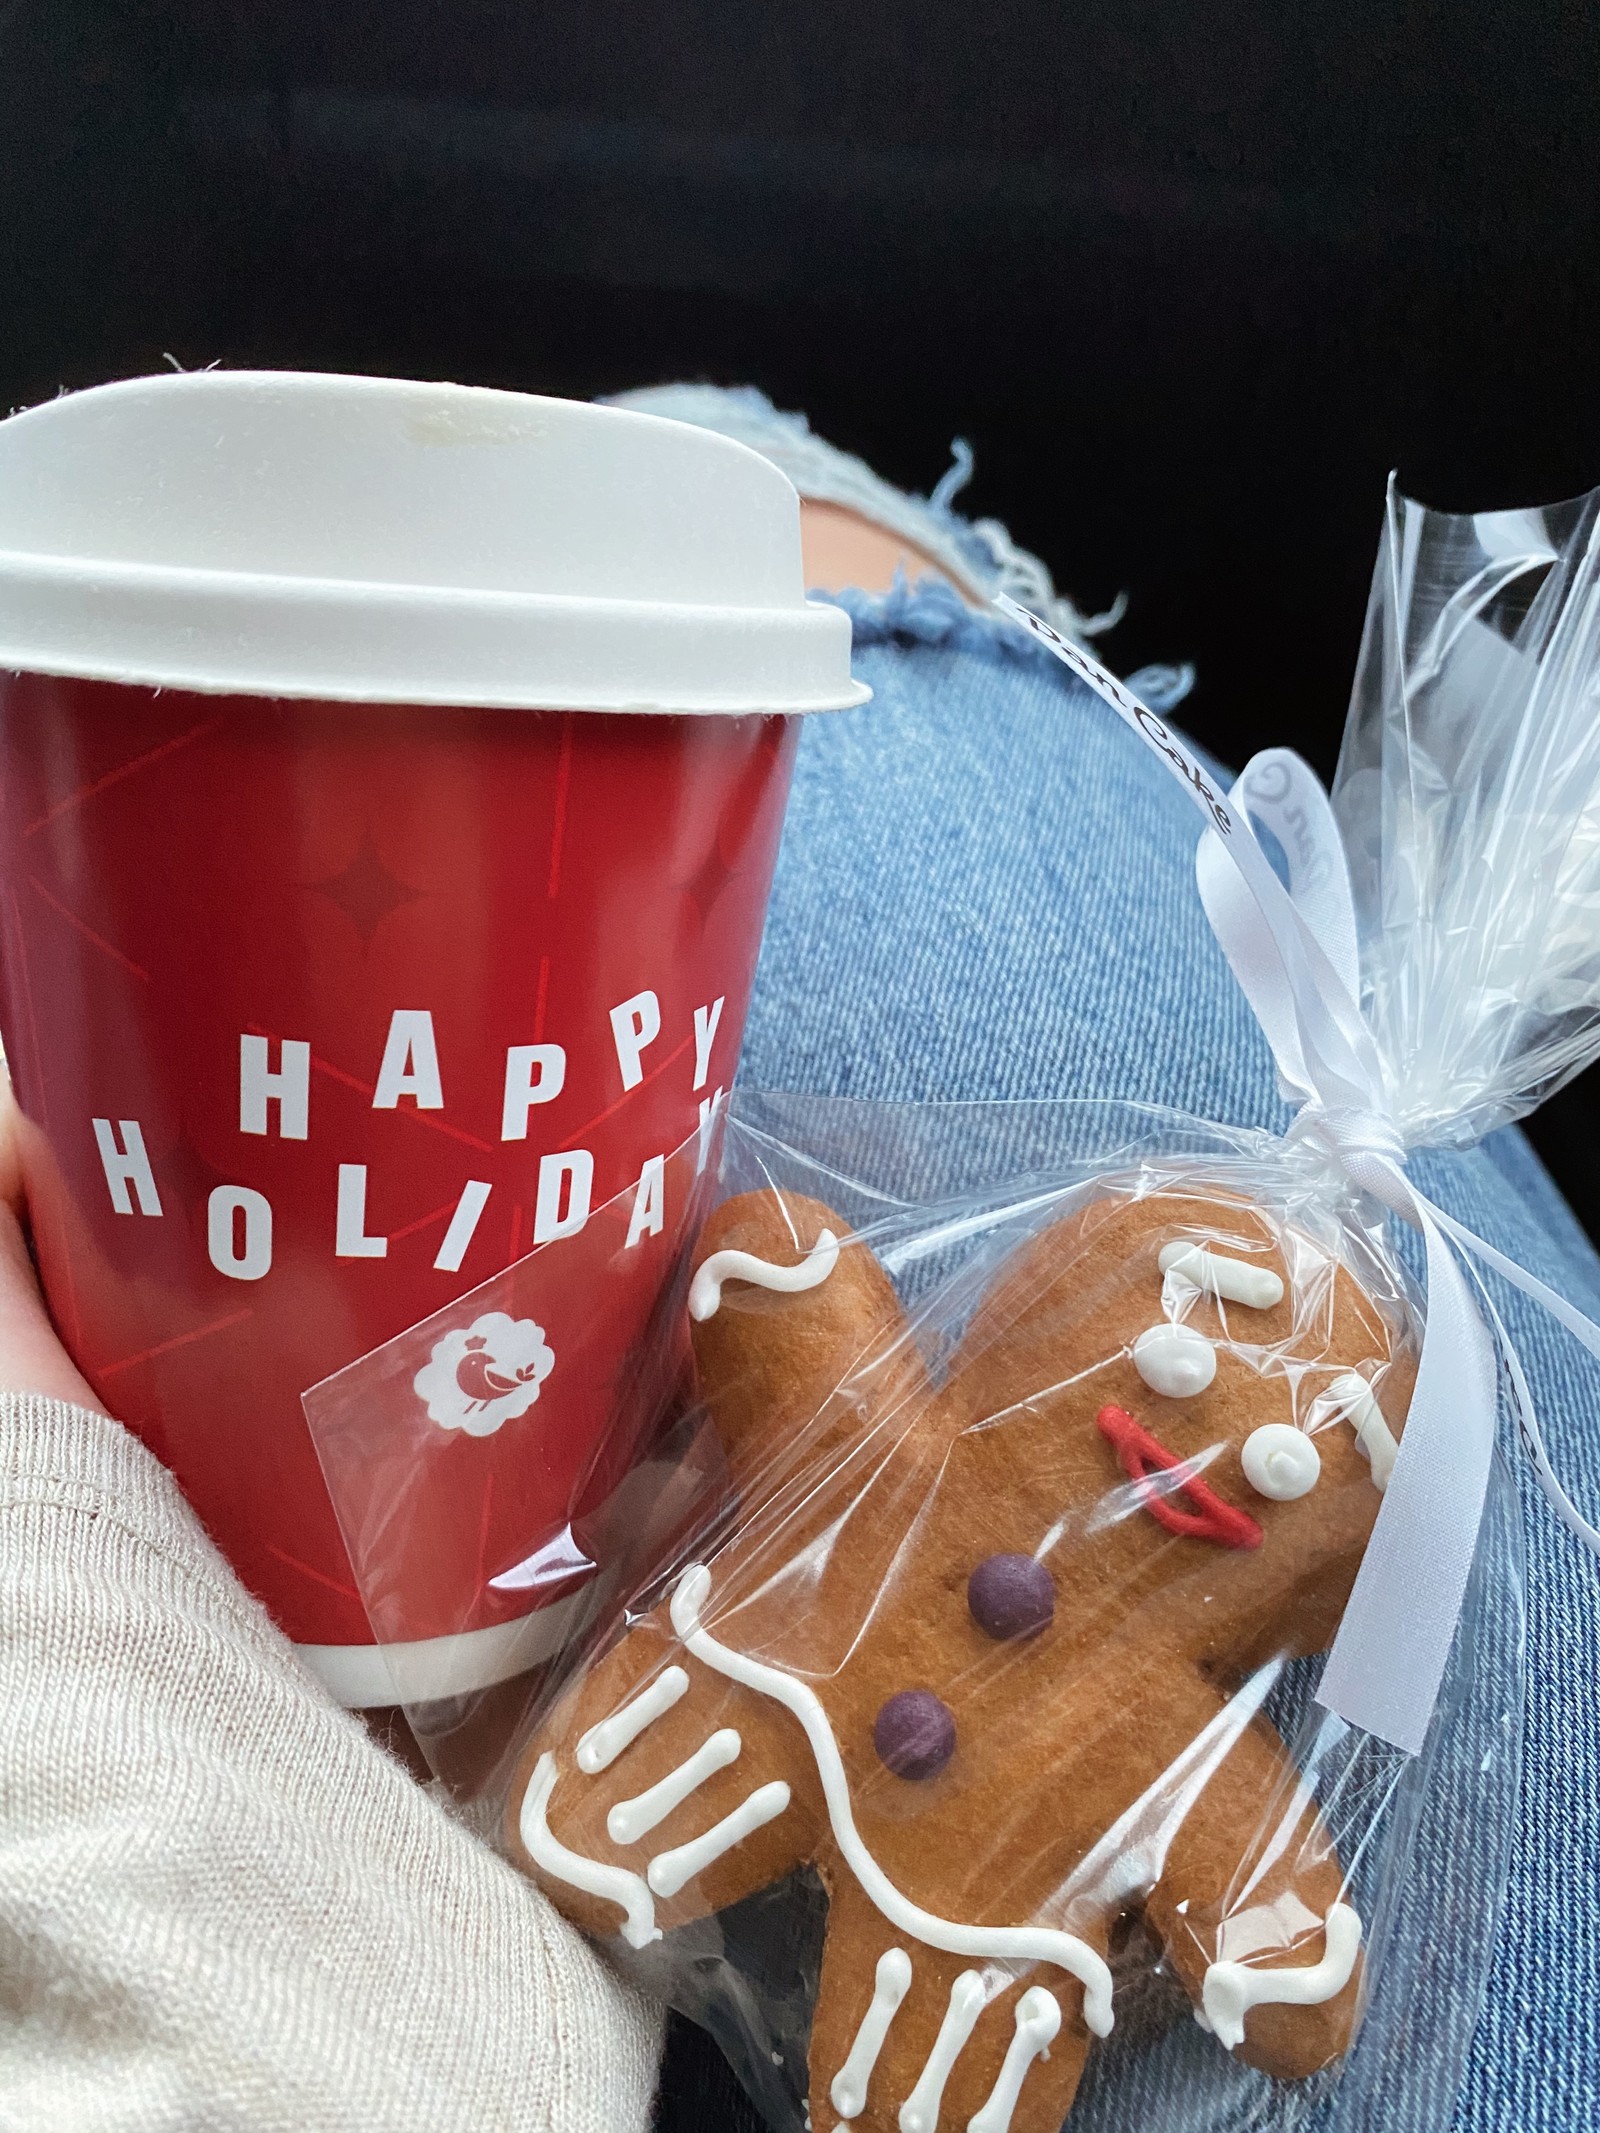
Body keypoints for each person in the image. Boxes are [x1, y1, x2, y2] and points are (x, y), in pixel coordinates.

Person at [2, 390, 1595, 2133]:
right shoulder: (910, 1473)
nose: (1240, 1432)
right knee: (755, 487)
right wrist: (777, 1307)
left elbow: (825, 1355)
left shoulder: (1130, 1697)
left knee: (740, 474)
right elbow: (818, 1345)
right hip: (681, 1726)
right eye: (1199, 1356)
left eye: (1305, 1460)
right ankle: (879, 550)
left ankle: (845, 529)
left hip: (860, 1868)